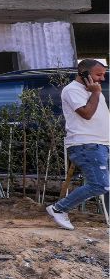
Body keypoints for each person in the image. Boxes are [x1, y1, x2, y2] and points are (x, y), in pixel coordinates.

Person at [47, 59, 108, 230]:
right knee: (100, 184)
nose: (102, 79)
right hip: (87, 144)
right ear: (84, 73)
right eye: (98, 75)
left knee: (107, 185)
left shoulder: (94, 90)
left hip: (102, 143)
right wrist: (95, 93)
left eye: (103, 75)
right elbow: (86, 114)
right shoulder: (72, 90)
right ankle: (59, 209)